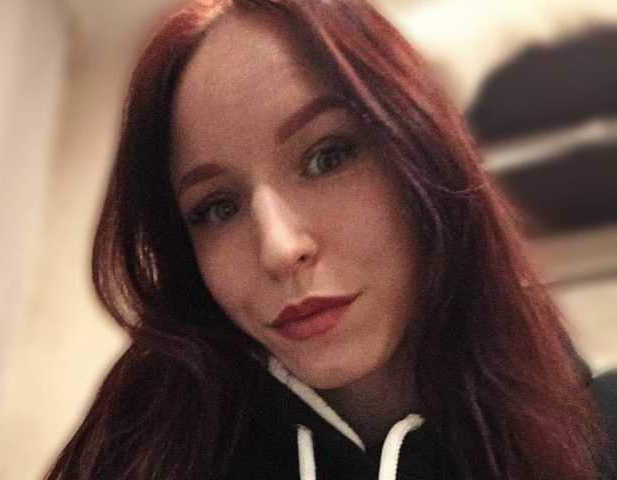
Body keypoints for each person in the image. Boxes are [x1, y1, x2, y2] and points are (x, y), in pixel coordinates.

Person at [45, 0, 617, 479]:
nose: (279, 249)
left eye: (327, 157)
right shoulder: (139, 450)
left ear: (418, 150)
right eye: (216, 208)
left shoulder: (592, 437)